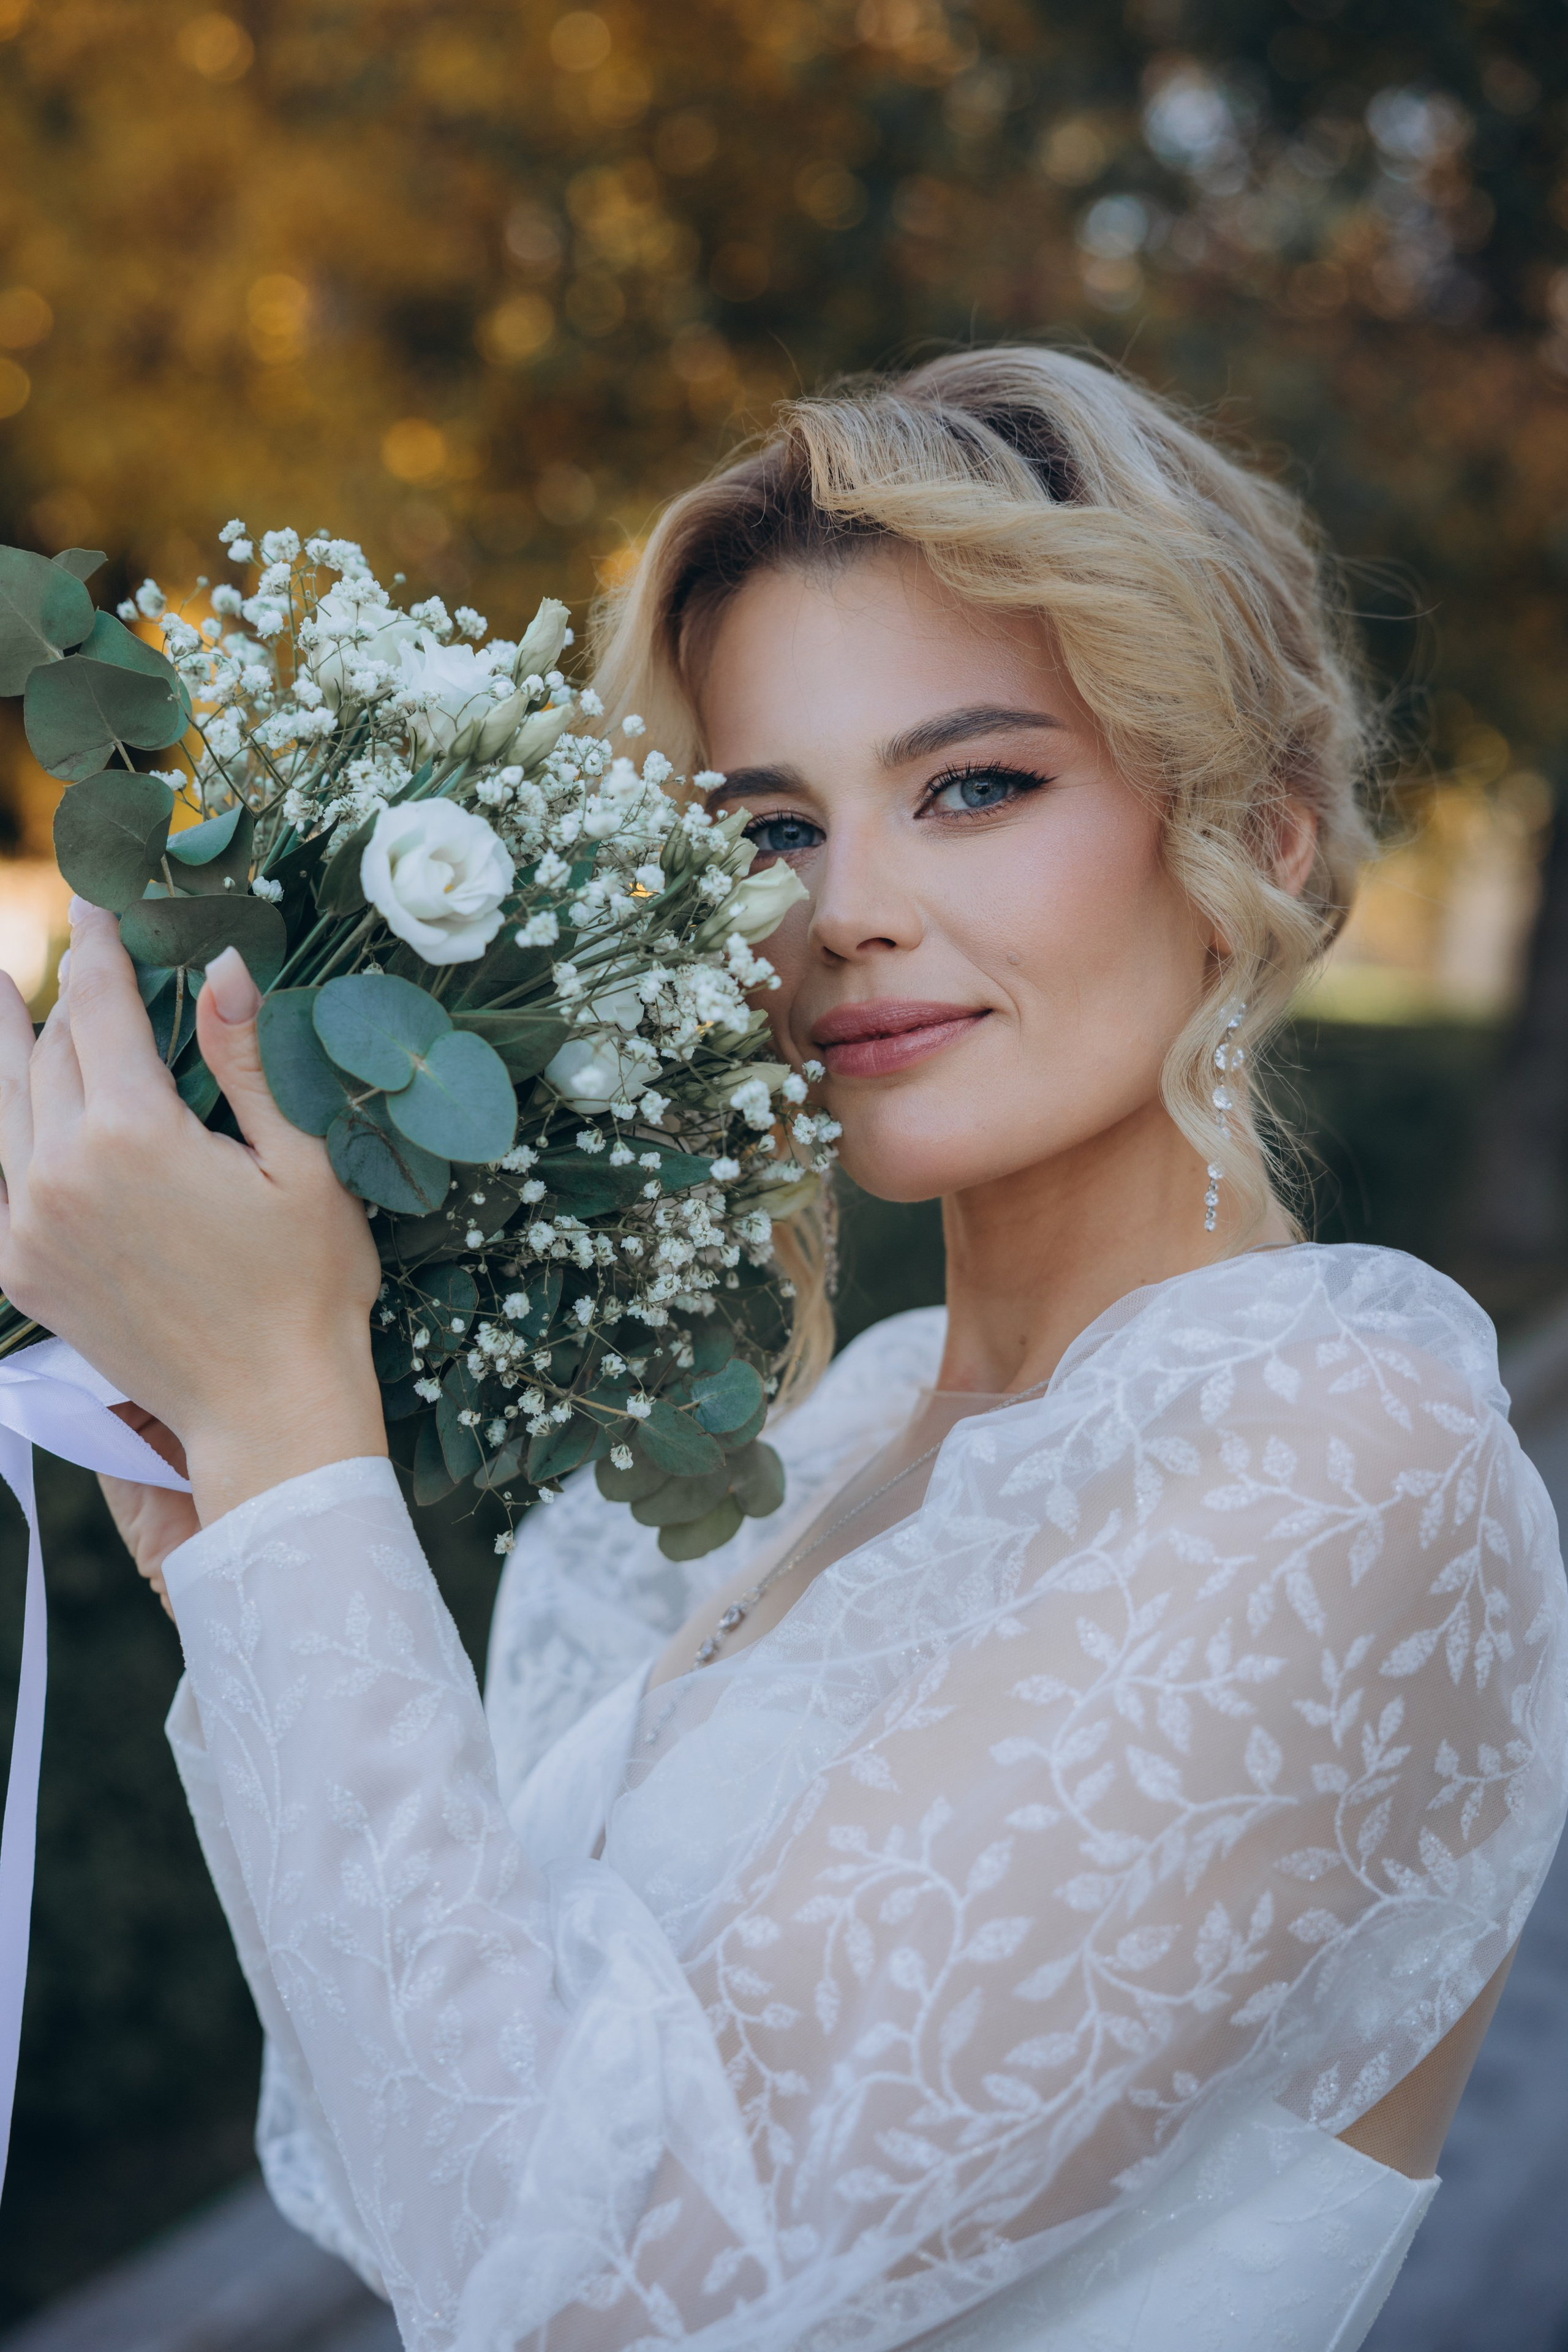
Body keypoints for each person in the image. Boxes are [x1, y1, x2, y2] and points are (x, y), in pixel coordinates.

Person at [1, 348, 1563, 2352]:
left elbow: (600, 2303)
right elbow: (430, 2154)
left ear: (1259, 829)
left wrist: (292, 1430)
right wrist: (226, 1510)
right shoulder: (830, 1445)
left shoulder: (1344, 1452)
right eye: (771, 825)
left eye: (974, 786)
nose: (846, 912)